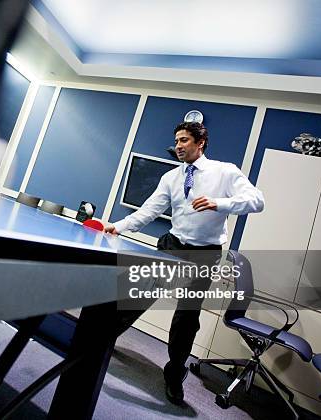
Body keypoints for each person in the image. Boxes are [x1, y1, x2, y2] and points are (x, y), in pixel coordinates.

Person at [105, 121, 265, 405]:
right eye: (177, 140)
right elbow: (148, 211)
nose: (178, 145)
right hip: (172, 246)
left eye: (184, 140)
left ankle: (174, 373)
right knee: (137, 296)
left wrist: (220, 203)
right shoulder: (170, 178)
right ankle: (103, 342)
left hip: (204, 255)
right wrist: (118, 226)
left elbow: (256, 201)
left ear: (200, 143)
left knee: (187, 317)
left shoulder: (224, 172)